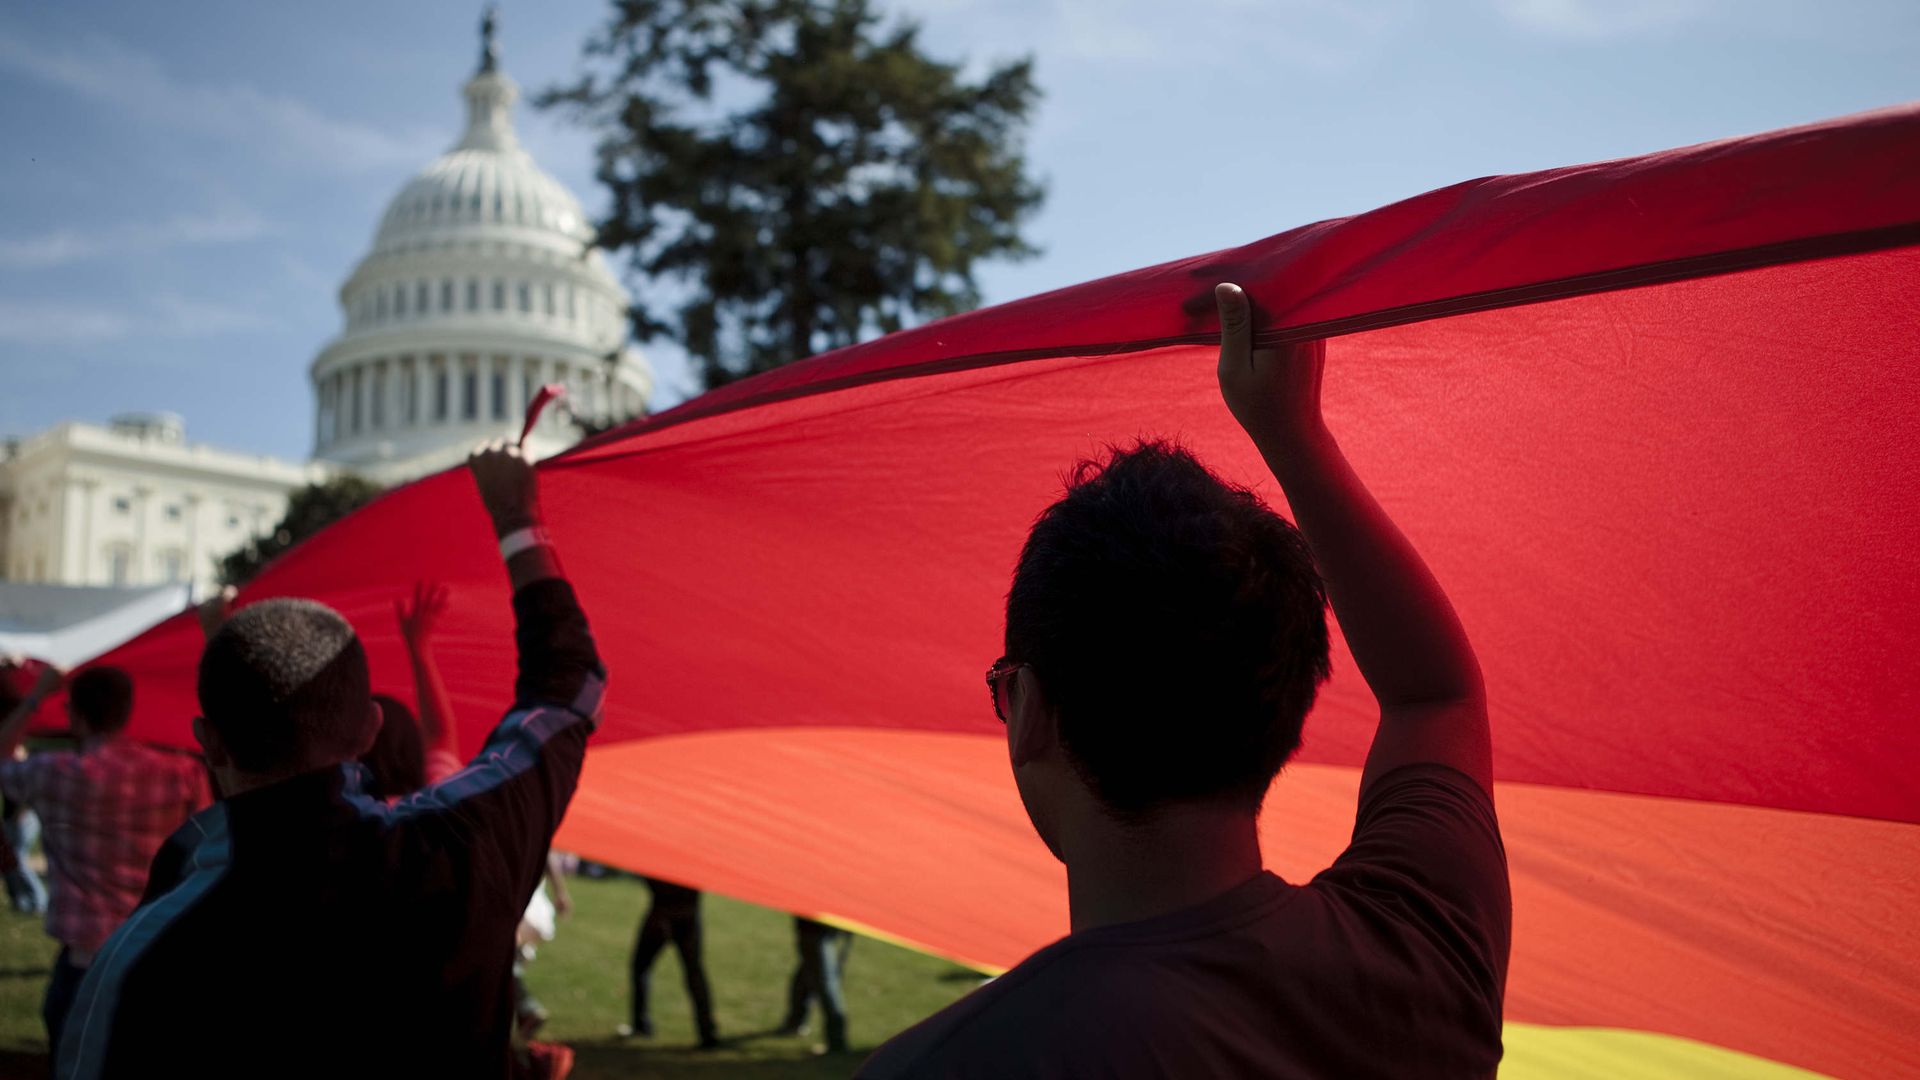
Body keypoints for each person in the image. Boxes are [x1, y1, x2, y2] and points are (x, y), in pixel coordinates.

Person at [859, 284, 1509, 1078]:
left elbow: (1430, 693)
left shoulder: (949, 1063)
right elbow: (1434, 694)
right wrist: (1294, 432)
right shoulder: (1422, 957)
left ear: (1028, 709)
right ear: (1286, 700)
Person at [55, 441, 606, 1080]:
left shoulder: (141, 955)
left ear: (210, 742)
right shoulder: (456, 847)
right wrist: (515, 516)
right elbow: (567, 688)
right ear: (368, 728)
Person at [0, 663, 210, 1060]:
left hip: (86, 959)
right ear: (128, 708)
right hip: (155, 951)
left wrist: (36, 695)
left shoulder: (54, 773)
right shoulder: (181, 774)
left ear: (74, 713)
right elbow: (205, 845)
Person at [619, 876, 719, 1048]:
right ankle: (707, 1032)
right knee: (693, 972)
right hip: (687, 913)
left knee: (642, 966)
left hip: (664, 913)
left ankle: (642, 1024)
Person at [780, 916, 852, 1054]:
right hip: (821, 925)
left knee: (824, 980)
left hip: (815, 927)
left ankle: (837, 1041)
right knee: (809, 971)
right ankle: (795, 1022)